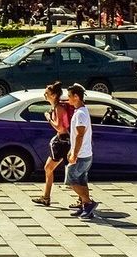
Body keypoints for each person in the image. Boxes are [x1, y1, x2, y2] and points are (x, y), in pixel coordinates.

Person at [33, 82, 73, 208]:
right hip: (62, 141)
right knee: (49, 168)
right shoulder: (56, 107)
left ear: (54, 95)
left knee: (56, 170)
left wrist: (48, 118)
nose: (45, 95)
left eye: (47, 93)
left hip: (63, 142)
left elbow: (60, 127)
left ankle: (84, 199)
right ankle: (46, 197)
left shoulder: (58, 108)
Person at [64, 84, 98, 220]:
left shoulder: (80, 114)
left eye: (69, 97)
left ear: (76, 97)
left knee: (71, 180)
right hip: (85, 154)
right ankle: (86, 207)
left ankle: (89, 203)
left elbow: (79, 135)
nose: (67, 100)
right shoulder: (82, 111)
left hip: (82, 155)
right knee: (82, 181)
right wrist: (71, 151)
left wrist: (74, 154)